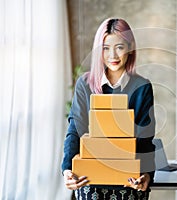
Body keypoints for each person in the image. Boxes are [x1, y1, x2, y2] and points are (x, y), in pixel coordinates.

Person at [62, 18, 156, 199]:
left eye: (119, 47)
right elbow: (76, 129)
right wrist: (67, 169)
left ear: (130, 48)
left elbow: (146, 138)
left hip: (128, 182)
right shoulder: (85, 84)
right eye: (106, 48)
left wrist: (147, 175)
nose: (112, 55)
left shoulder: (142, 87)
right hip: (91, 180)